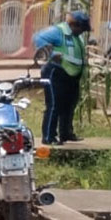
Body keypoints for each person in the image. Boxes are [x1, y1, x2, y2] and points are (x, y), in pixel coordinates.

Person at [33, 10, 91, 144]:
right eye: (81, 28)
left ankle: (66, 133)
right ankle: (49, 137)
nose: (82, 32)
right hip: (56, 72)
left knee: (69, 104)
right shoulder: (58, 31)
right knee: (54, 105)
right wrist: (51, 54)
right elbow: (38, 38)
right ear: (74, 25)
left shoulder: (76, 35)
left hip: (72, 75)